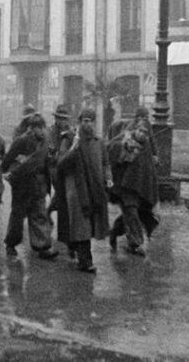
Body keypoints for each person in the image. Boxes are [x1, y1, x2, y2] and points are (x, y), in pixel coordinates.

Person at [56, 108, 111, 273]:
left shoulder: (99, 142)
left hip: (94, 188)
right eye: (85, 121)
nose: (88, 124)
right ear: (79, 122)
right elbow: (61, 164)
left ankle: (73, 245)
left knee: (88, 226)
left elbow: (105, 163)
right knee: (82, 225)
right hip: (77, 190)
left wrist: (108, 178)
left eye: (91, 120)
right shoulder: (70, 140)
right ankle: (85, 262)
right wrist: (74, 146)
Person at [2, 114, 59, 259]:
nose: (41, 131)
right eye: (38, 128)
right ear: (31, 129)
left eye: (42, 127)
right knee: (17, 215)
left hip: (39, 183)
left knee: (39, 214)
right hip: (23, 183)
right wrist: (7, 173)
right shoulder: (22, 141)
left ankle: (43, 247)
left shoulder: (46, 140)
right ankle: (11, 243)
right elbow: (8, 159)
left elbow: (47, 160)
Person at [107, 107, 159, 256]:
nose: (142, 134)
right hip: (125, 185)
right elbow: (110, 146)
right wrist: (123, 147)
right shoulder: (126, 137)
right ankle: (136, 244)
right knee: (131, 212)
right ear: (136, 128)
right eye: (140, 131)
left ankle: (115, 232)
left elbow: (149, 164)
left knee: (137, 214)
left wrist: (155, 158)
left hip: (140, 186)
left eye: (145, 133)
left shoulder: (147, 144)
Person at [46, 105, 72, 220]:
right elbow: (50, 152)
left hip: (67, 166)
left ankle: (49, 210)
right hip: (54, 167)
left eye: (65, 119)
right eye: (60, 118)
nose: (63, 121)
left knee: (64, 192)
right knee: (62, 191)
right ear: (56, 119)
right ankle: (52, 212)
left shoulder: (70, 131)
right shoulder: (50, 132)